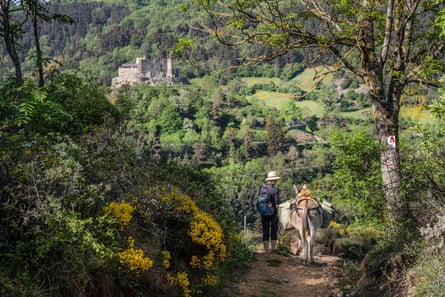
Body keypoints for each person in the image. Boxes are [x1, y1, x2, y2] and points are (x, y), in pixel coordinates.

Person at [259, 170, 281, 253]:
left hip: (264, 213)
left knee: (265, 230)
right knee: (274, 230)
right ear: (272, 180)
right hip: (273, 213)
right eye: (275, 179)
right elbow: (277, 203)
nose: (276, 181)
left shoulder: (261, 189)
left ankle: (266, 250)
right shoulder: (275, 189)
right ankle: (273, 249)